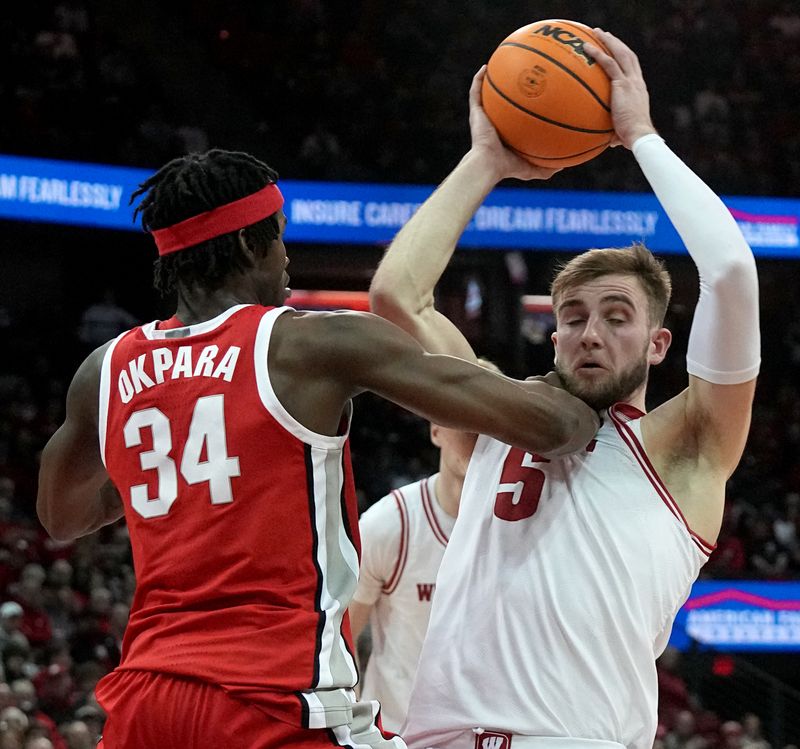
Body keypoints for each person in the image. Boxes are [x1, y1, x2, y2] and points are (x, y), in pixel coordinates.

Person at [36, 149, 600, 749]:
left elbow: (61, 515)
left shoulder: (107, 368)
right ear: (251, 247)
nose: (287, 257)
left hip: (144, 704)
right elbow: (548, 427)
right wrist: (591, 393)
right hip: (275, 702)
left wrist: (183, 475)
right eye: (280, 237)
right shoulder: (311, 344)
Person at [369, 29, 760, 749]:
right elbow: (398, 295)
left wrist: (641, 136)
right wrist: (484, 162)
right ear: (551, 336)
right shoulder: (492, 412)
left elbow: (733, 273)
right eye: (572, 316)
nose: (588, 332)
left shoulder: (686, 446)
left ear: (658, 342)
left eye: (617, 317)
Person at [349, 383, 494, 733]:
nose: (477, 438)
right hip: (400, 734)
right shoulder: (390, 525)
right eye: (465, 423)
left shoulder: (519, 528)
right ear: (436, 429)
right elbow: (341, 643)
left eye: (489, 425)